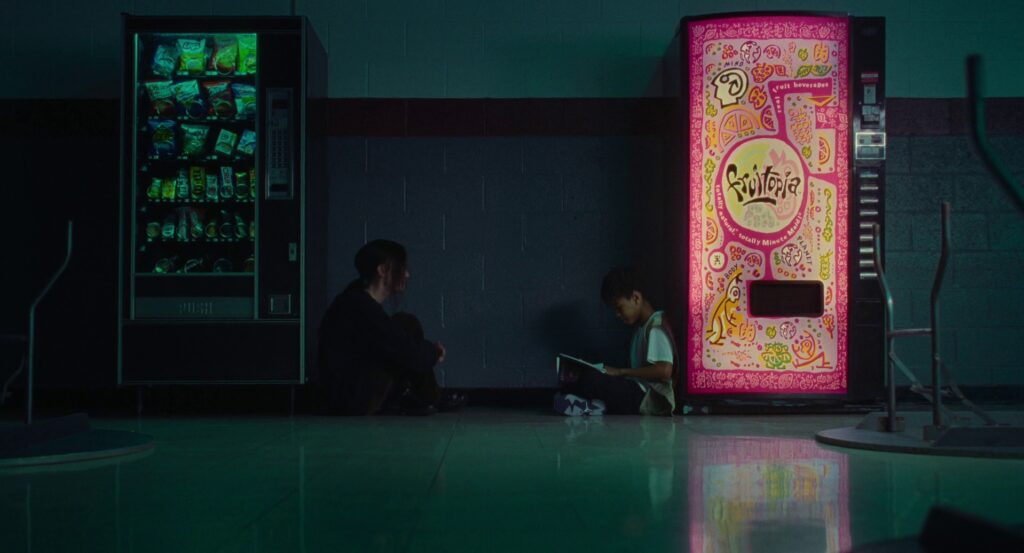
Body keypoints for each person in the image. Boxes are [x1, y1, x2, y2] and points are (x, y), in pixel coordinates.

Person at [317, 239, 462, 415]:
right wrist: (433, 352)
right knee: (406, 325)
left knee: (404, 328)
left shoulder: (355, 300)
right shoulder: (359, 306)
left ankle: (426, 397)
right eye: (402, 268)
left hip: (345, 394)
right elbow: (408, 352)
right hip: (349, 401)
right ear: (383, 270)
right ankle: (429, 397)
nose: (407, 275)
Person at [555, 266, 678, 416]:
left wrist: (620, 372)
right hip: (637, 392)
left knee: (593, 379)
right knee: (592, 375)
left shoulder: (655, 327)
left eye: (619, 308)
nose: (618, 315)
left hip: (647, 398)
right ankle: (591, 404)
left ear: (636, 298)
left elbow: (664, 370)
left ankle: (587, 404)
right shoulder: (641, 328)